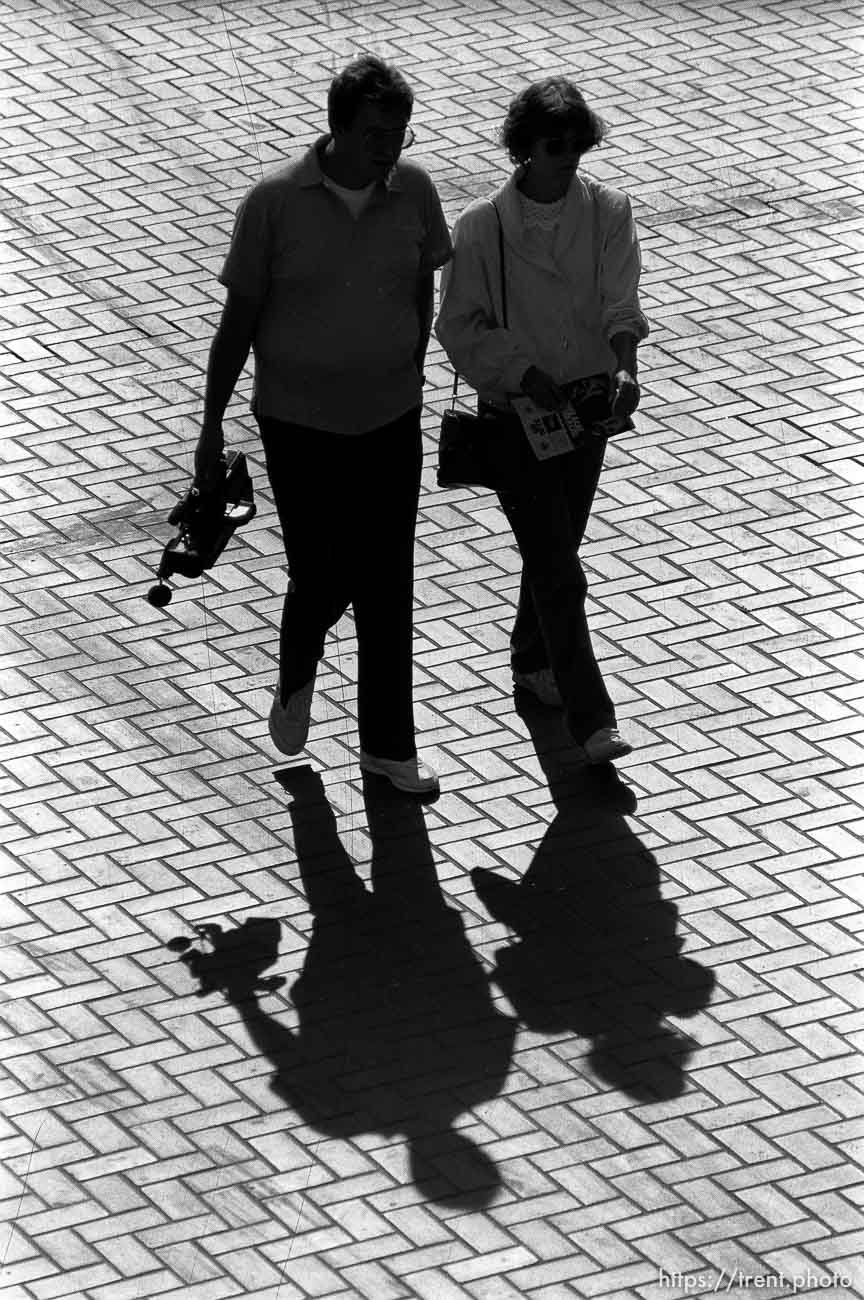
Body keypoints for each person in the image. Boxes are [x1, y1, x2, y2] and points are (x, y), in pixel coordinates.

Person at [194, 56, 452, 793]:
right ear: (338, 127)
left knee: (387, 578)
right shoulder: (275, 203)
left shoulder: (415, 192)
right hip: (297, 422)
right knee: (321, 571)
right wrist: (211, 427)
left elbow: (421, 289)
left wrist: (409, 370)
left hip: (389, 416)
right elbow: (236, 321)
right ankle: (296, 679)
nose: (390, 149)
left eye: (399, 134)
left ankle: (388, 747)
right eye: (376, 133)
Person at [435, 78, 649, 764]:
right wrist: (522, 373)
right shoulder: (482, 227)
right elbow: (458, 325)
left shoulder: (609, 212)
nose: (571, 157)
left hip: (585, 411)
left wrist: (624, 366)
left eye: (579, 145)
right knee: (560, 568)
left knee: (558, 546)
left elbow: (621, 301)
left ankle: (532, 656)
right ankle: (592, 720)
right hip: (516, 415)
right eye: (557, 145)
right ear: (521, 148)